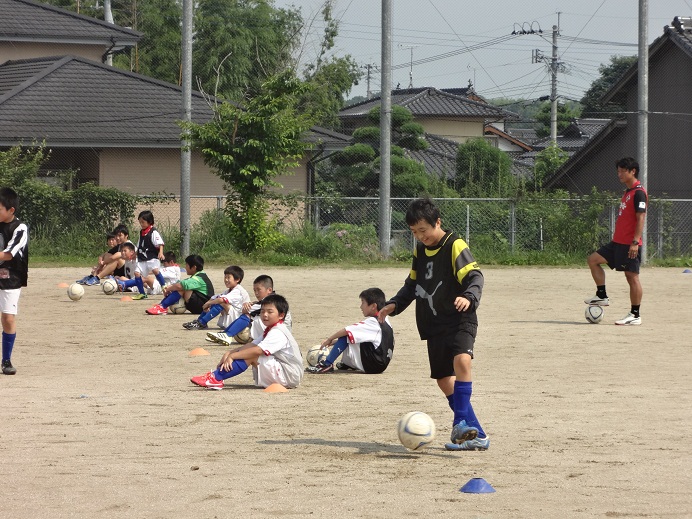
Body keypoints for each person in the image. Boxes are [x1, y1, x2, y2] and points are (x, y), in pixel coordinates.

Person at [378, 198, 488, 451]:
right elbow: (413, 284)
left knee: (462, 361)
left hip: (461, 317)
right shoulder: (420, 251)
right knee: (442, 378)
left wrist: (469, 297)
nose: (420, 237)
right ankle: (476, 434)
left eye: (423, 231)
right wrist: (395, 303)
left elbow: (475, 276)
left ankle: (460, 421)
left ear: (437, 222)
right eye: (415, 232)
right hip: (434, 322)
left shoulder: (454, 245)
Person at [190, 294, 303, 390]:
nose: (265, 315)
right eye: (263, 311)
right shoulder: (272, 328)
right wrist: (230, 352)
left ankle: (216, 378)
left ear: (281, 315)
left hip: (290, 375)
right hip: (286, 371)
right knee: (249, 351)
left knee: (252, 355)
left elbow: (258, 350)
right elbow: (252, 344)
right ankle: (215, 376)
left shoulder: (278, 332)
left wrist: (233, 356)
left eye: (270, 312)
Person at [585, 157, 647, 326]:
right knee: (593, 260)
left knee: (632, 277)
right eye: (618, 171)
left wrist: (635, 242)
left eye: (622, 171)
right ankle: (602, 295)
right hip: (617, 242)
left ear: (632, 171)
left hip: (629, 244)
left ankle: (635, 315)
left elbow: (641, 217)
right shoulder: (627, 192)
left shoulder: (639, 192)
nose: (619, 174)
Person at [306, 287, 394, 374]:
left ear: (373, 306)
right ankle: (349, 364)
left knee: (347, 335)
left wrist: (329, 339)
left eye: (363, 302)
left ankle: (326, 364)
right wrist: (334, 342)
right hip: (380, 362)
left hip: (373, 365)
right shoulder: (385, 319)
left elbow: (346, 331)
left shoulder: (373, 322)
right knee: (355, 336)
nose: (361, 306)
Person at [204, 274, 292, 345]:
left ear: (269, 290)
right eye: (254, 290)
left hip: (279, 334)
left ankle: (227, 334)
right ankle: (225, 334)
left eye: (259, 290)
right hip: (281, 332)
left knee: (249, 316)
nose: (256, 293)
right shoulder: (273, 299)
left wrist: (248, 306)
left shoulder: (269, 303)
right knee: (254, 316)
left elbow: (245, 311)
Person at [0, 188, 29, 375]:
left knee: (8, 318)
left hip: (11, 278)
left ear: (11, 210)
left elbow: (9, 254)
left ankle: (6, 360)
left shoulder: (20, 228)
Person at [182, 265, 250, 330]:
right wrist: (209, 303)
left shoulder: (238, 290)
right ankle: (199, 321)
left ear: (237, 279)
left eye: (228, 277)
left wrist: (208, 304)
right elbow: (215, 297)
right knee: (216, 301)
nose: (226, 280)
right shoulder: (229, 290)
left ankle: (202, 322)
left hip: (239, 319)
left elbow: (221, 300)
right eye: (225, 277)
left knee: (222, 302)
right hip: (233, 316)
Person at [117, 211, 165, 299]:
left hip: (151, 257)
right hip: (142, 258)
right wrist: (135, 254)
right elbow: (139, 245)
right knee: (137, 273)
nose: (141, 224)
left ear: (149, 221)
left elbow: (160, 243)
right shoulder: (142, 232)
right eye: (140, 222)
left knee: (155, 271)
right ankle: (142, 293)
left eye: (143, 222)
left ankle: (164, 287)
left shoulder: (153, 232)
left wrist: (161, 252)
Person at [145, 254, 214, 315]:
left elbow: (180, 286)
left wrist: (168, 289)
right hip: (201, 305)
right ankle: (161, 305)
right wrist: (171, 288)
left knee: (181, 288)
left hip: (203, 307)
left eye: (186, 265)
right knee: (177, 287)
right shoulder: (199, 276)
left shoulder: (198, 279)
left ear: (194, 268)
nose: (185, 267)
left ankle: (162, 307)